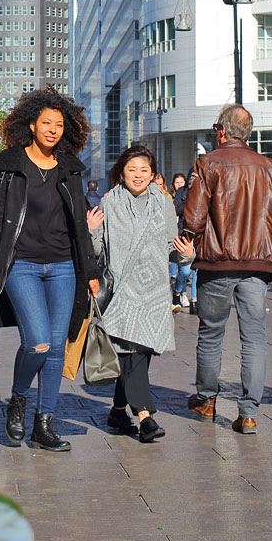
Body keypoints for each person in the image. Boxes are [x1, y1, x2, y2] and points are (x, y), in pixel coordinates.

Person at [0, 87, 102, 453]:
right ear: (32, 125)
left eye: (59, 125)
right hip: (20, 264)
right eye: (46, 123)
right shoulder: (9, 165)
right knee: (37, 341)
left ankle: (44, 424)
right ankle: (19, 398)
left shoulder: (70, 169)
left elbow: (79, 227)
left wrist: (90, 271)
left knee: (56, 348)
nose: (53, 130)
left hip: (63, 267)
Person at [181, 104, 272, 435]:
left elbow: (193, 218)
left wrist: (192, 241)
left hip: (217, 262)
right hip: (259, 265)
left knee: (211, 332)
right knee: (255, 338)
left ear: (222, 131)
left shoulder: (208, 164)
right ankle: (248, 413)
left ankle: (206, 398)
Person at [87, 145, 196, 442]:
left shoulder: (163, 204)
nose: (138, 175)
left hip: (153, 292)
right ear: (121, 172)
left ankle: (118, 410)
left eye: (144, 170)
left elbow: (171, 247)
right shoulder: (109, 204)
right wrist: (92, 231)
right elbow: (98, 253)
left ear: (152, 175)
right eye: (132, 169)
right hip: (122, 293)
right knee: (133, 354)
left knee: (139, 353)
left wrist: (186, 254)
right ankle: (145, 417)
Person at [170, 173, 194, 314]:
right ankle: (178, 292)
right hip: (184, 234)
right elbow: (178, 210)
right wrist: (191, 202)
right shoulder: (181, 192)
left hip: (201, 235)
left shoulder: (205, 190)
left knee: (196, 272)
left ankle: (194, 300)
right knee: (185, 270)